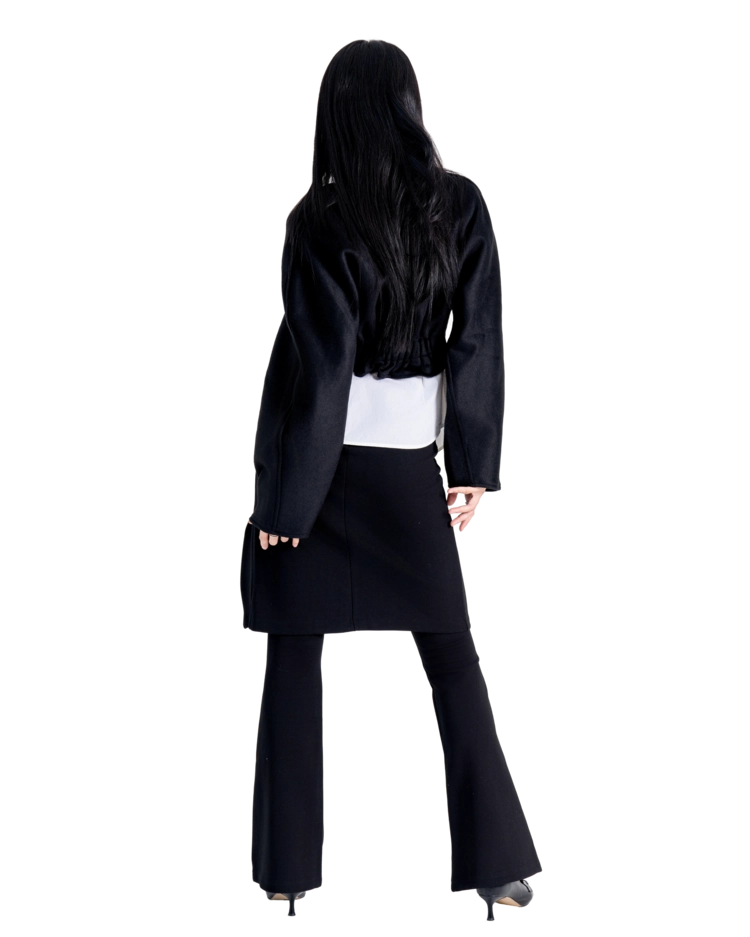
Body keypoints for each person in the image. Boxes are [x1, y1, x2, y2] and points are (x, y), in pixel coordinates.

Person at [241, 37, 541, 921]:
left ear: (334, 115)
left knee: (294, 651)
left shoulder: (321, 219)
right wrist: (473, 469)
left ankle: (286, 871)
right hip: (411, 467)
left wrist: (287, 499)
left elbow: (319, 368)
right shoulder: (461, 206)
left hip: (326, 470)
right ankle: (502, 870)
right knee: (451, 656)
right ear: (408, 107)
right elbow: (479, 340)